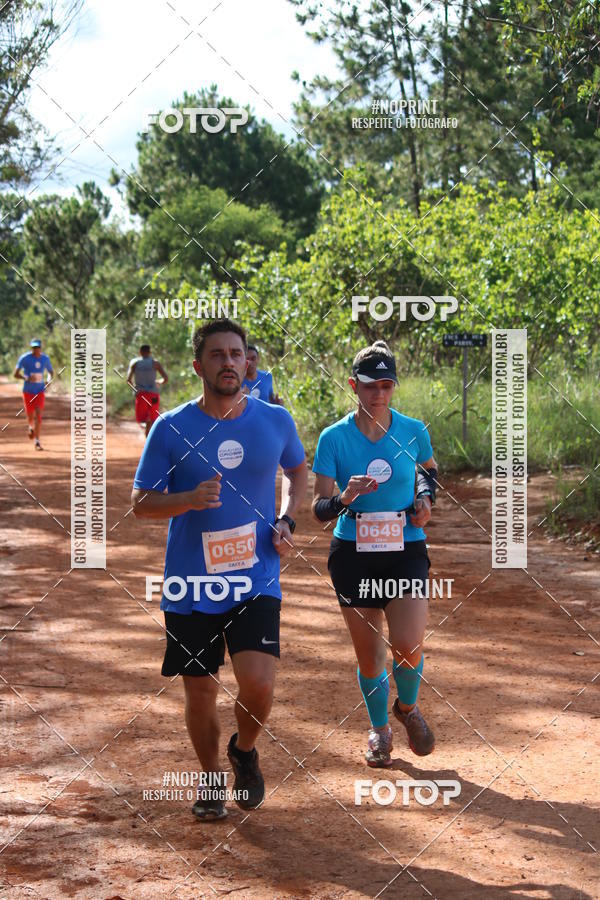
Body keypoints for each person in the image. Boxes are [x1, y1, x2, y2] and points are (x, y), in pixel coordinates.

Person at [131, 319, 307, 821]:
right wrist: (186, 499)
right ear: (198, 366)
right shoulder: (171, 427)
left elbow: (298, 470)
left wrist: (287, 518)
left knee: (259, 684)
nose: (228, 362)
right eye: (217, 355)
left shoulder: (275, 421)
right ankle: (210, 777)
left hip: (256, 576)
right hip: (191, 583)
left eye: (236, 353)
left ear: (247, 361)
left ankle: (244, 751)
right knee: (201, 690)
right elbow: (140, 502)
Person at [311, 340, 439, 768]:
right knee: (370, 657)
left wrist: (425, 500)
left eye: (386, 385)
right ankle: (380, 730)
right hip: (353, 553)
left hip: (406, 548)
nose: (379, 394)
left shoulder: (413, 430)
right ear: (354, 386)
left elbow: (427, 471)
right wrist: (344, 497)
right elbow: (318, 508)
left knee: (408, 645)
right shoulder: (333, 438)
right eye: (370, 386)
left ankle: (408, 707)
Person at [13, 339, 54, 451]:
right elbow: (15, 374)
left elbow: (51, 372)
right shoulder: (24, 358)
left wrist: (48, 380)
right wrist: (26, 378)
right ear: (31, 348)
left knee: (39, 416)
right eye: (34, 348)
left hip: (40, 391)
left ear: (40, 348)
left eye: (37, 347)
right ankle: (30, 426)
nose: (35, 349)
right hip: (28, 392)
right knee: (30, 416)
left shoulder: (45, 359)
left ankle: (37, 441)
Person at [126, 344, 169, 437]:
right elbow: (165, 378)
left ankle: (146, 425)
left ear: (140, 352)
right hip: (153, 393)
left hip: (141, 394)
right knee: (154, 417)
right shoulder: (155, 363)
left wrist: (135, 388)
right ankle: (151, 430)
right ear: (150, 352)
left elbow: (128, 380)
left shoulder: (135, 363)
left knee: (142, 418)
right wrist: (159, 382)